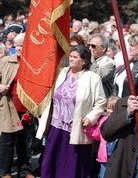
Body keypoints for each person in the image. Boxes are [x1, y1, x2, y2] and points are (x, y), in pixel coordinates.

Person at [37, 45, 106, 178]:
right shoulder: (61, 72)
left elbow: (101, 103)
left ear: (84, 61)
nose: (71, 59)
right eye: (71, 56)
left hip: (76, 129)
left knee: (72, 165)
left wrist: (91, 118)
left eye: (75, 57)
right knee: (51, 162)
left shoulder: (92, 78)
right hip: (55, 127)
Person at [0, 33, 35, 178]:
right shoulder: (5, 61)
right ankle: (5, 172)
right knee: (7, 140)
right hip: (8, 106)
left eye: (23, 45)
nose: (20, 48)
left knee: (24, 141)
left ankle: (25, 170)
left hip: (26, 107)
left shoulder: (34, 63)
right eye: (18, 45)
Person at [83, 95, 120, 178]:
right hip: (104, 155)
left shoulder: (121, 121)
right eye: (109, 108)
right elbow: (97, 134)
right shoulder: (103, 120)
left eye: (113, 109)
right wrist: (88, 129)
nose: (110, 111)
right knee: (102, 174)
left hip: (116, 155)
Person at [87, 33, 116, 98]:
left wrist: (91, 59)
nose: (90, 48)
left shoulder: (109, 63)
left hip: (100, 101)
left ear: (103, 48)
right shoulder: (86, 59)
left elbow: (98, 77)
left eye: (93, 46)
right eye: (88, 45)